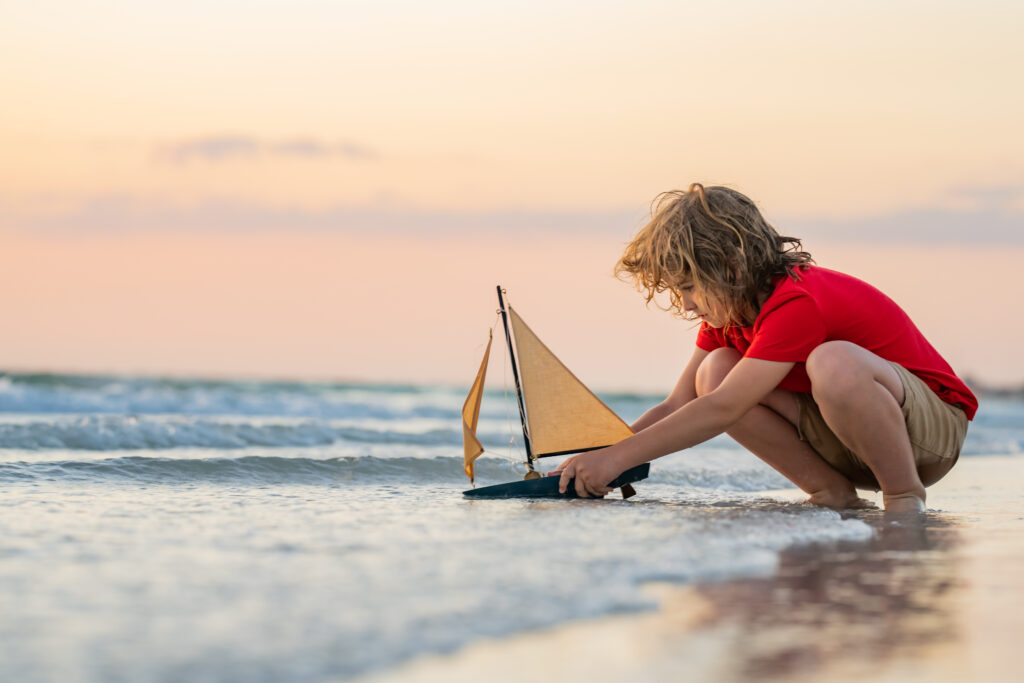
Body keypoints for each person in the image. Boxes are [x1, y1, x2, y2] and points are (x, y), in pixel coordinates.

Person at [553, 183, 977, 512]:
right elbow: (678, 404)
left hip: (925, 437)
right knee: (714, 372)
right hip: (849, 442)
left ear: (732, 268)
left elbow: (724, 409)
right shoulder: (731, 315)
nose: (685, 303)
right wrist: (605, 456)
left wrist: (615, 459)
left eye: (689, 287)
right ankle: (832, 492)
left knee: (833, 362)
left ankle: (903, 496)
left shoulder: (797, 301)